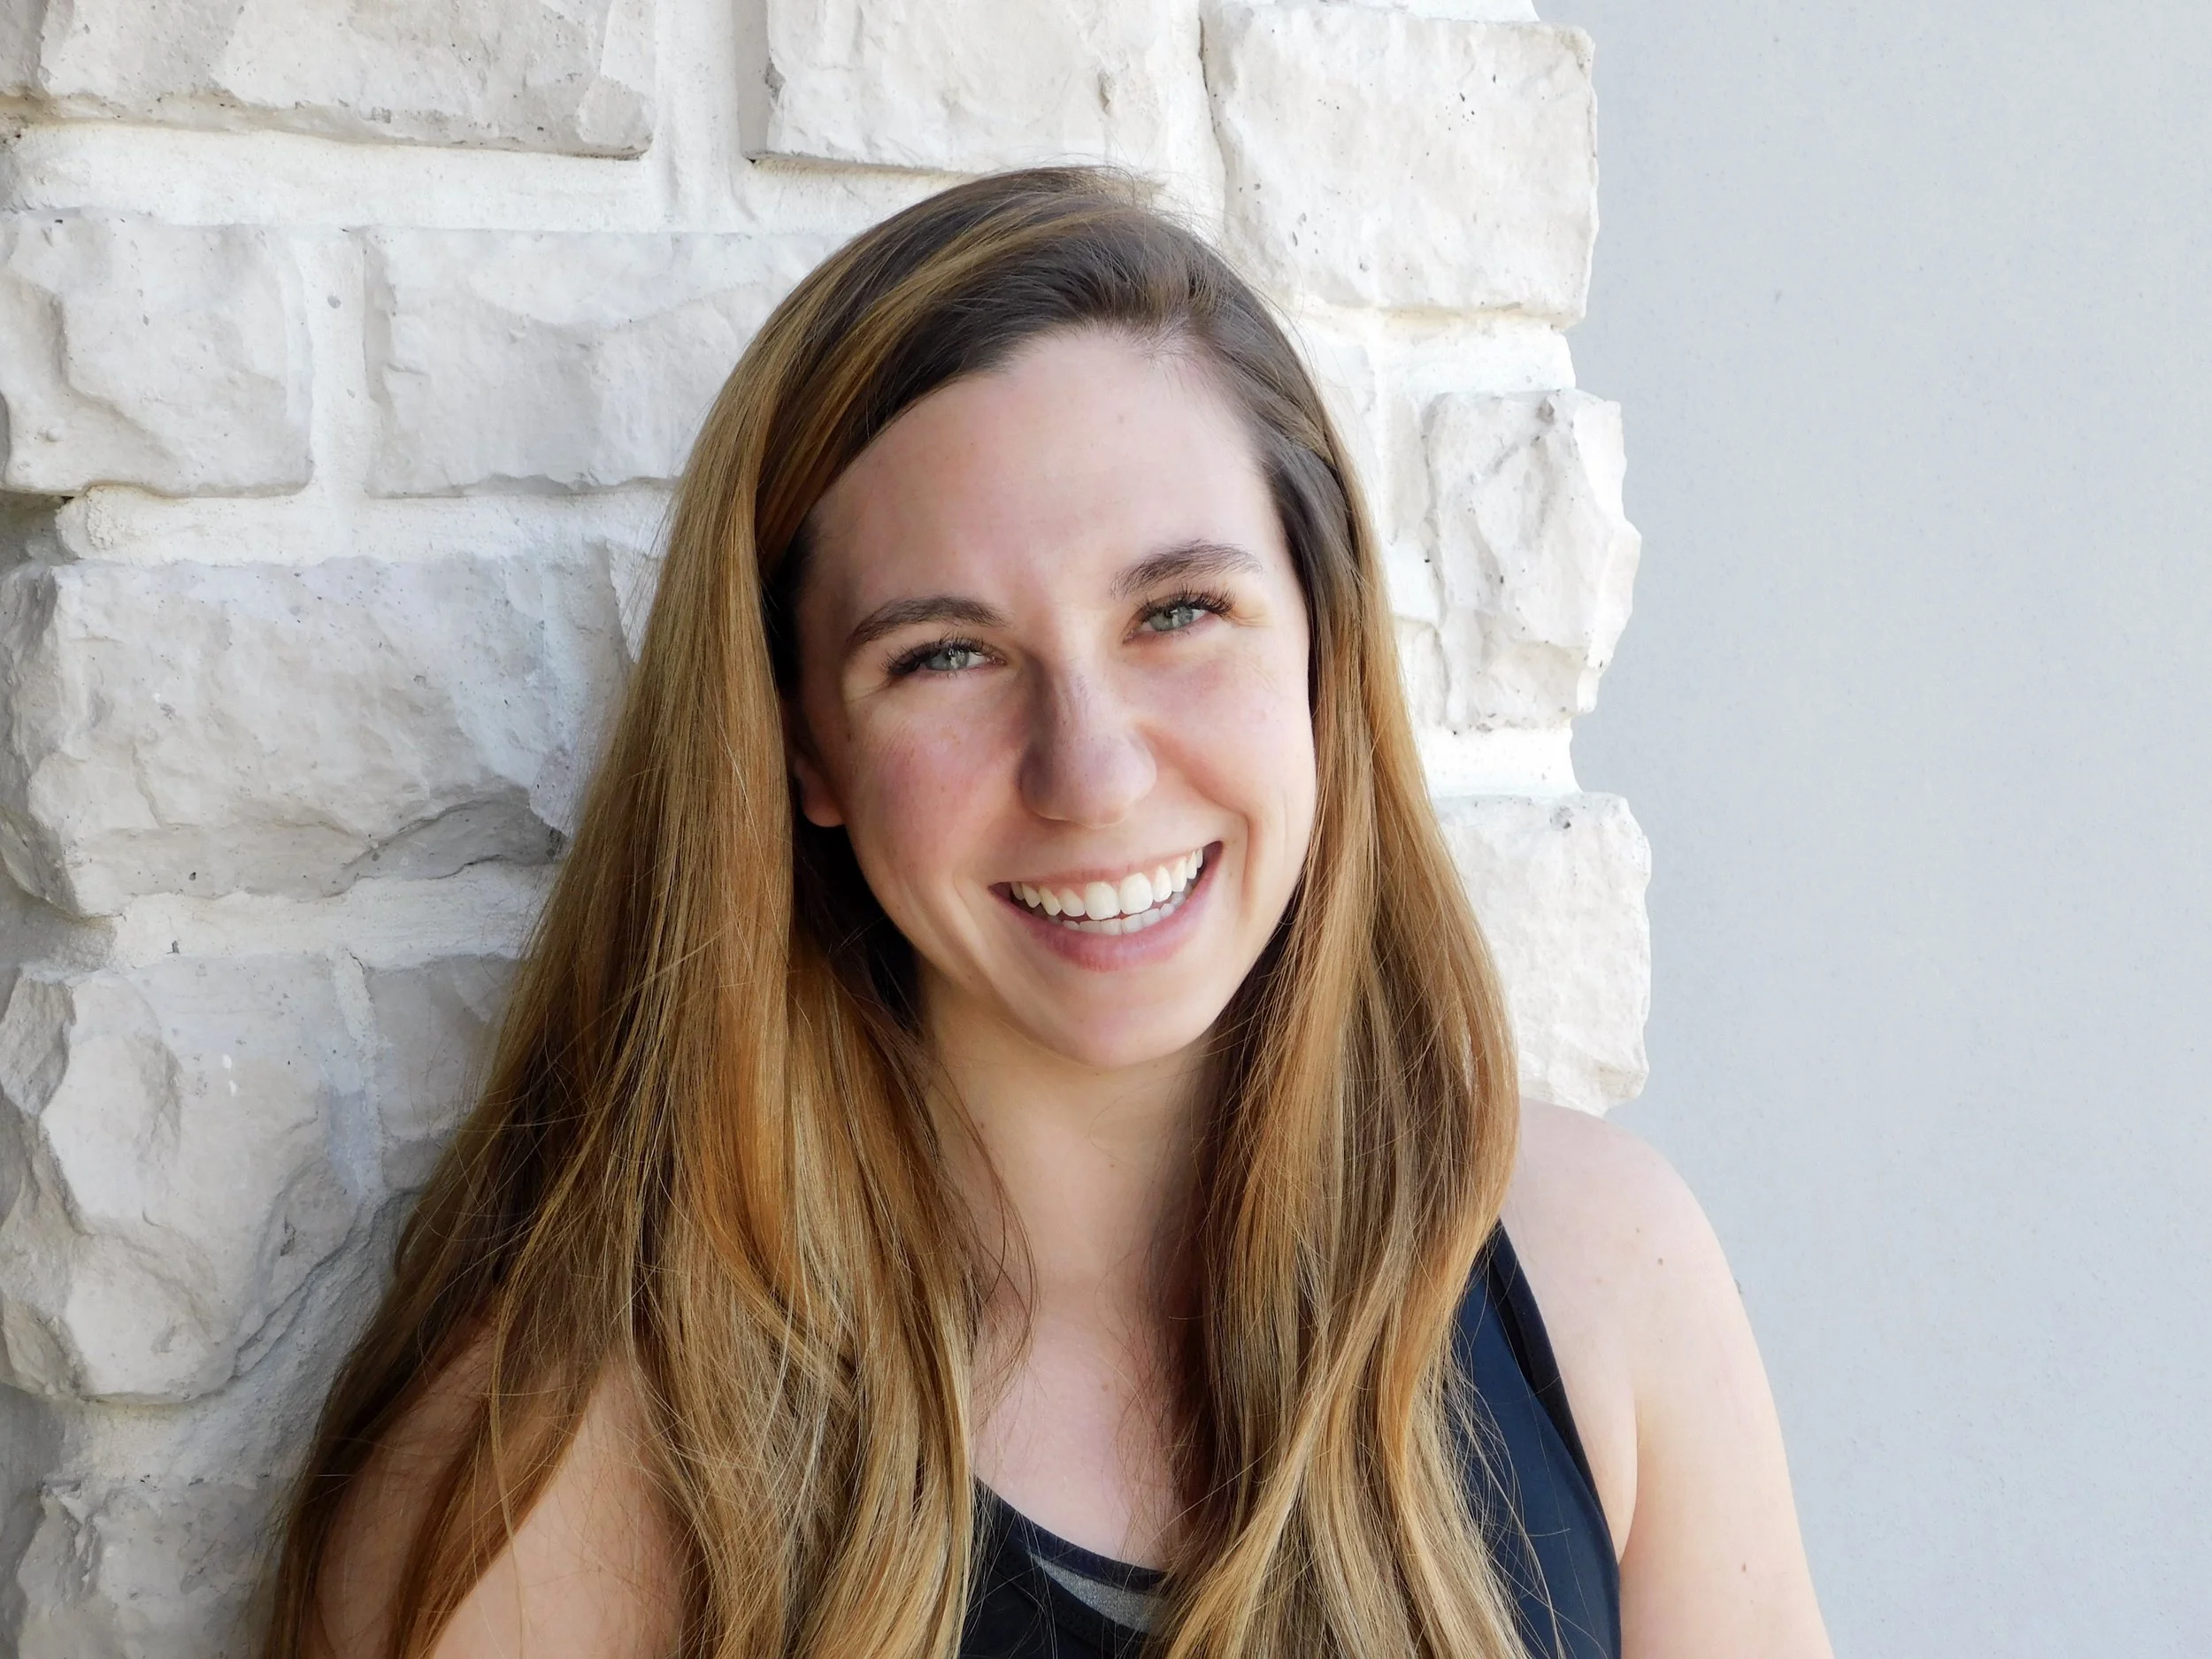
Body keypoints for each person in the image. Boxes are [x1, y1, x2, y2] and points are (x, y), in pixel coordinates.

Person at [263, 167, 1832, 1659]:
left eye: (1179, 611)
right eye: (946, 653)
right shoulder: (563, 1452)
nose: (1088, 772)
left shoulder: (1595, 1265)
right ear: (801, 739)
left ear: (1324, 648)